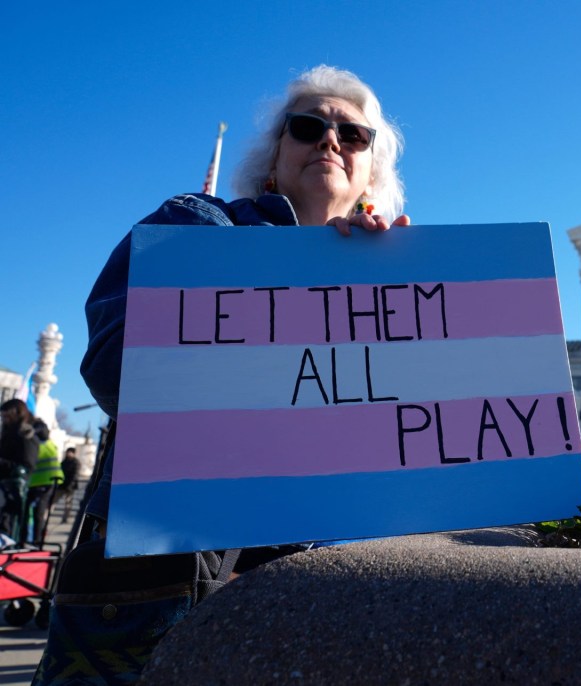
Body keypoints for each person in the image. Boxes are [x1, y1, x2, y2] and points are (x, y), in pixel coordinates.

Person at [40, 65, 410, 684]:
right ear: (273, 158)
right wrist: (301, 285)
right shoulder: (198, 224)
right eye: (308, 126)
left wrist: (383, 298)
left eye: (354, 136)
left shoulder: (392, 280)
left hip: (321, 600)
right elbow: (116, 368)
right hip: (163, 593)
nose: (330, 141)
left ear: (371, 172)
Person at [0, 399, 39, 540]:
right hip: (5, 487)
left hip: (12, 491)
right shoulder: (6, 433)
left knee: (7, 527)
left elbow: (27, 466)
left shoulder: (25, 435)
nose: (4, 420)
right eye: (3, 417)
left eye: (7, 417)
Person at [24, 420, 63, 546]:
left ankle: (35, 541)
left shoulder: (39, 444)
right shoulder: (49, 443)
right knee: (37, 514)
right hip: (46, 482)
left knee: (37, 514)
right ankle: (35, 541)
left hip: (44, 482)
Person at [57, 446, 81, 524]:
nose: (68, 454)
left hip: (70, 487)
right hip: (61, 485)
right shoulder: (64, 462)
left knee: (68, 503)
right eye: (67, 452)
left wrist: (70, 485)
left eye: (70, 452)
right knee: (54, 500)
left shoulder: (76, 463)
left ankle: (65, 518)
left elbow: (75, 475)